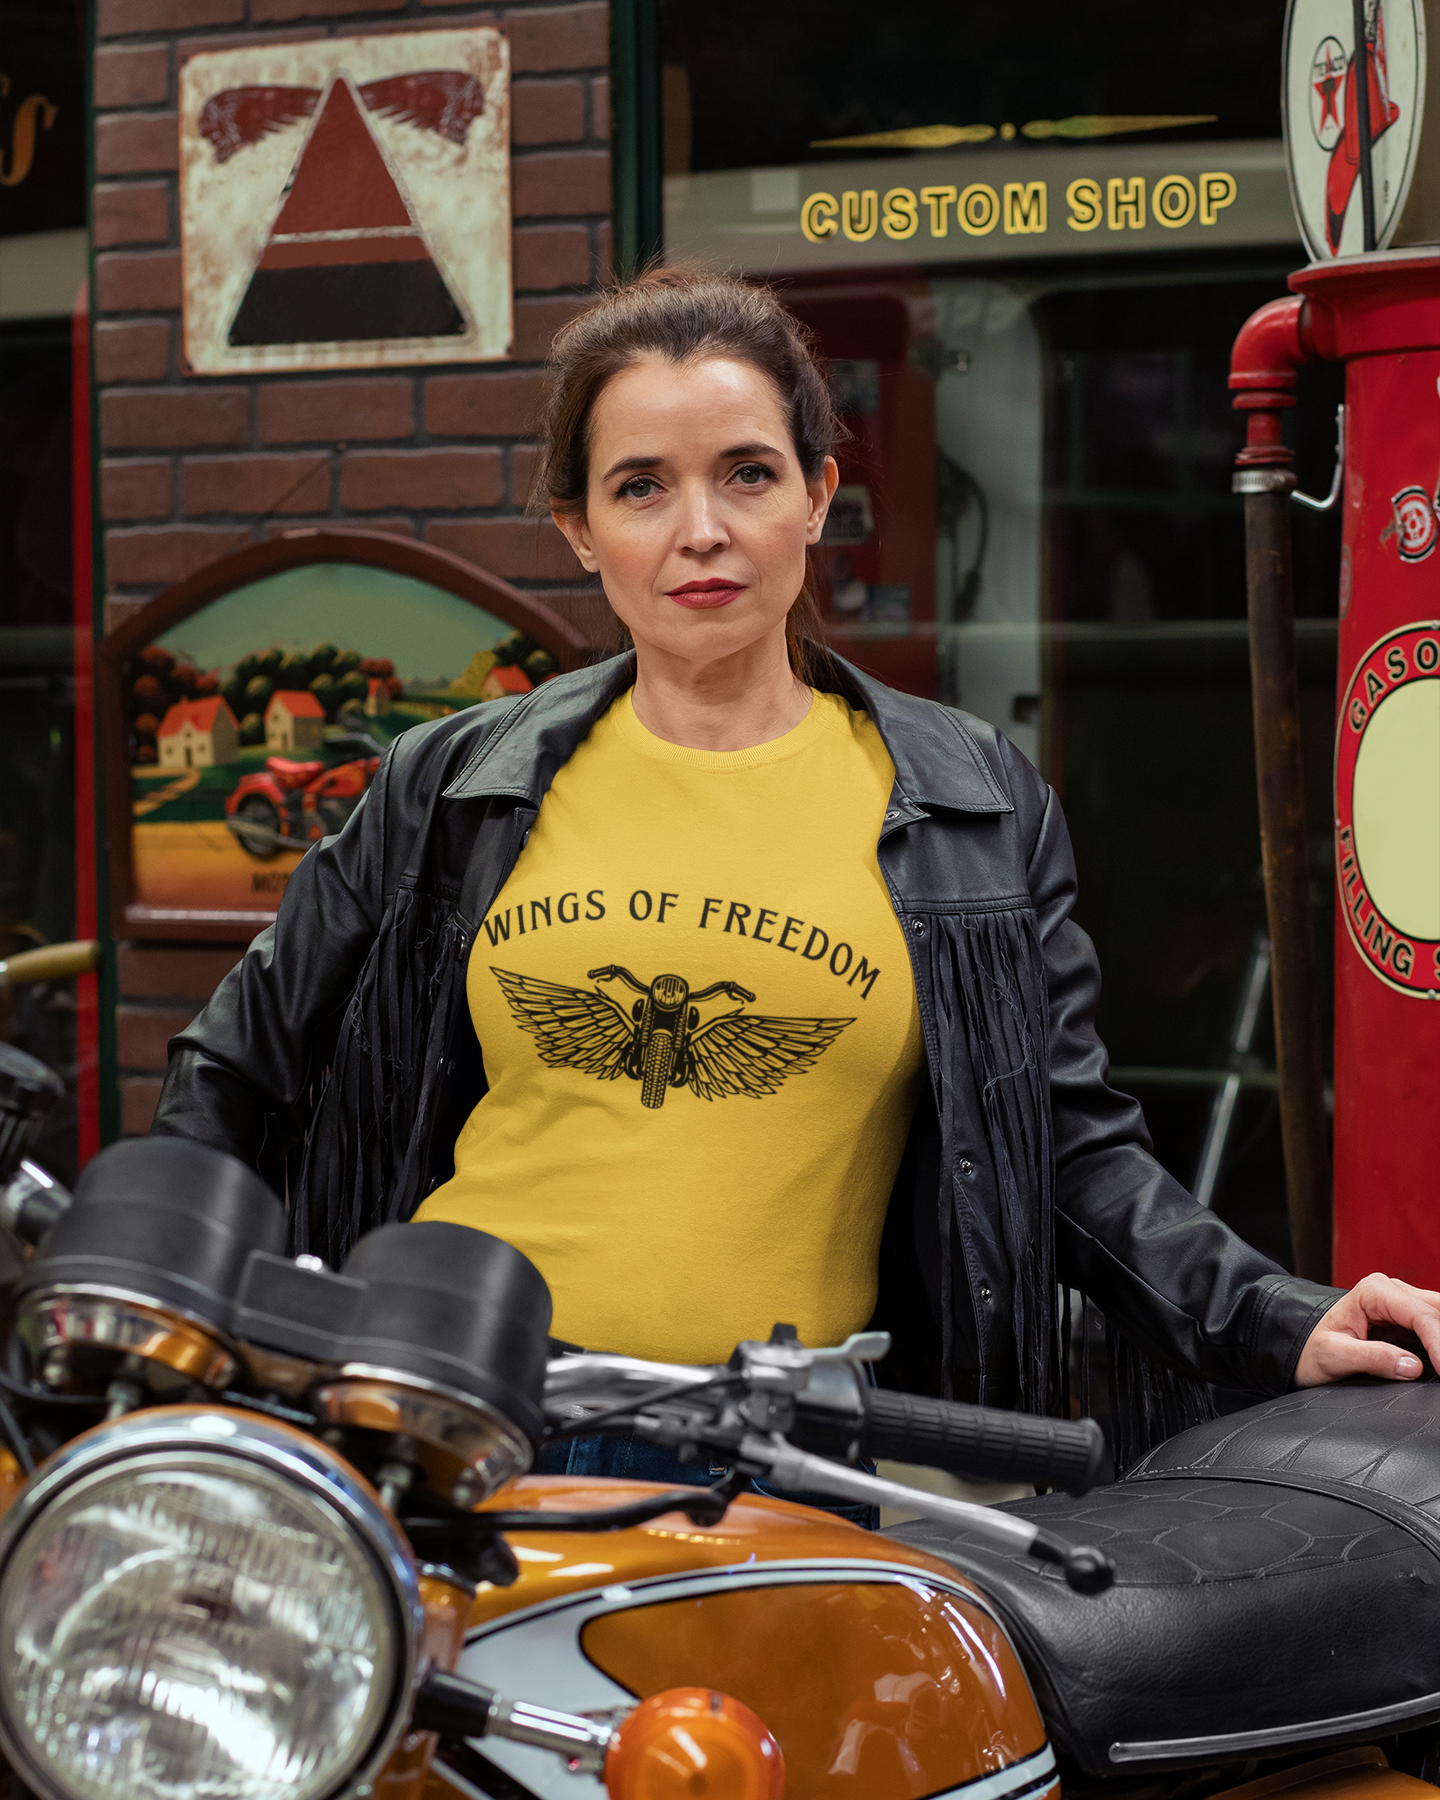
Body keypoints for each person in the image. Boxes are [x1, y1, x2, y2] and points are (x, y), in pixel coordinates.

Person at [153, 269, 1440, 1498]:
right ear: (578, 530)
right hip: (454, 1421)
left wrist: (1280, 1315)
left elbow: (1064, 1151)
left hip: (786, 1457)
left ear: (819, 496)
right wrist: (175, 1328)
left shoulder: (967, 801)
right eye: (641, 488)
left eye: (747, 474)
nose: (700, 530)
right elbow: (233, 1071)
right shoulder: (449, 787)